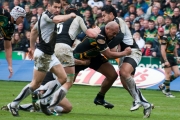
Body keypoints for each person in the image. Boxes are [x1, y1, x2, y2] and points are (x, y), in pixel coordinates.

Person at [8, 0, 76, 117]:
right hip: (44, 54)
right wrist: (70, 15)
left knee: (63, 78)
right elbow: (58, 19)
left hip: (49, 54)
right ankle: (13, 104)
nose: (57, 9)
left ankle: (44, 99)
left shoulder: (46, 17)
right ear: (48, 6)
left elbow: (34, 31)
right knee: (35, 84)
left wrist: (32, 48)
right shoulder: (47, 15)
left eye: (59, 7)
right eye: (55, 7)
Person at [33, 5, 101, 111]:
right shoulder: (78, 18)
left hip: (52, 48)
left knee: (60, 79)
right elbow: (90, 34)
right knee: (68, 81)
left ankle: (42, 91)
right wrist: (97, 30)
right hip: (64, 47)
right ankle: (49, 103)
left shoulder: (60, 19)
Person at [101, 5, 153, 118]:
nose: (102, 18)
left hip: (132, 51)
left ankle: (137, 100)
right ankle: (146, 104)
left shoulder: (118, 21)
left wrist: (104, 48)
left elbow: (119, 37)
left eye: (104, 15)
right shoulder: (108, 26)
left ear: (111, 14)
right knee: (125, 84)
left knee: (125, 72)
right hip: (123, 54)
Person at [74, 21, 131, 109]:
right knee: (68, 82)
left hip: (94, 56)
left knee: (112, 75)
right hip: (81, 56)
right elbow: (109, 55)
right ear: (107, 29)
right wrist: (125, 52)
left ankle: (100, 98)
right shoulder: (99, 36)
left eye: (116, 33)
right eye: (113, 33)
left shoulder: (109, 33)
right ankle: (51, 99)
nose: (115, 35)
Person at [1, 72, 72, 115]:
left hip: (46, 87)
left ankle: (17, 106)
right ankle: (47, 106)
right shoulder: (64, 63)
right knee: (67, 107)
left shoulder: (55, 62)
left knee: (67, 108)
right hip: (46, 89)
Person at [0, 6, 26, 78]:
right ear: (16, 15)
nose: (23, 20)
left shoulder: (11, 28)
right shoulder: (2, 13)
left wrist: (10, 65)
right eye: (22, 17)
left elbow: (8, 47)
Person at [159, 24, 180, 98]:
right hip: (166, 56)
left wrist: (177, 57)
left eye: (175, 29)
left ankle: (163, 85)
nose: (174, 30)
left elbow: (174, 48)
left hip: (171, 56)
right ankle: (167, 92)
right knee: (168, 74)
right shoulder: (165, 37)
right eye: (173, 29)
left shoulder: (176, 37)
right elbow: (162, 49)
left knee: (177, 73)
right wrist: (165, 60)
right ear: (170, 30)